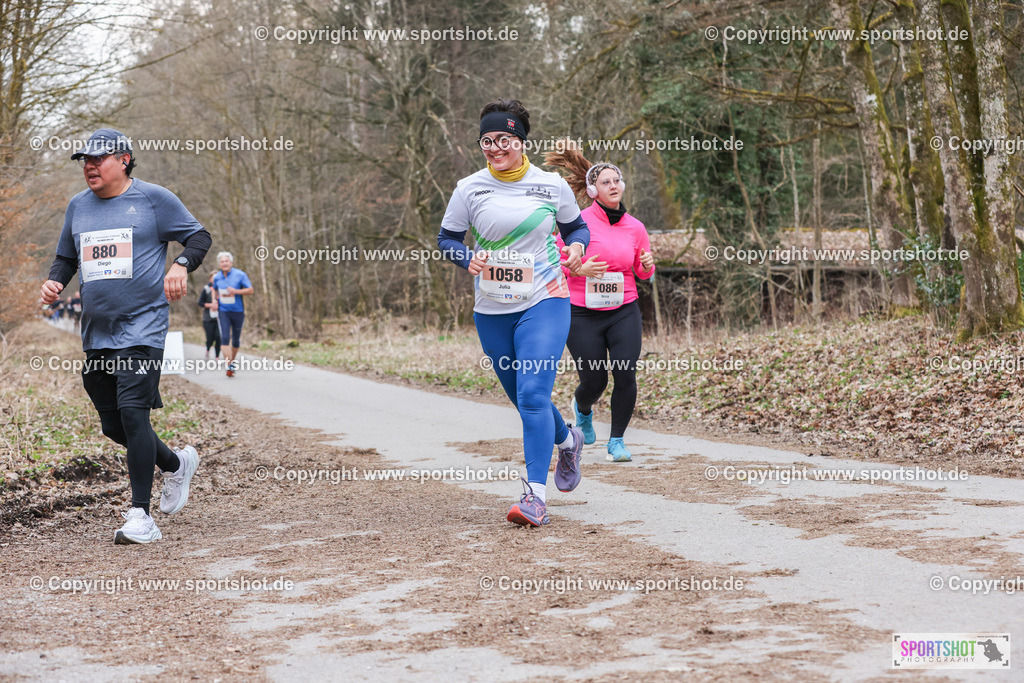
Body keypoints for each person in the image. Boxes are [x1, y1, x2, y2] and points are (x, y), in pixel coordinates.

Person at [40, 128, 210, 544]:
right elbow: (66, 256)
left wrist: (180, 265)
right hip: (97, 332)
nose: (90, 167)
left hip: (144, 324)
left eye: (98, 159)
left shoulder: (153, 199)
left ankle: (141, 516)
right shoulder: (78, 206)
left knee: (134, 413)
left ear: (125, 159)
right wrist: (54, 282)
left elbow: (198, 236)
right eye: (85, 161)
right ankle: (174, 465)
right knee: (113, 424)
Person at [438, 99, 590, 527]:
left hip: (546, 298)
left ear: (521, 142)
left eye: (502, 139)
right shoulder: (470, 188)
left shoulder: (551, 185)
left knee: (533, 396)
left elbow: (576, 227)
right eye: (486, 140)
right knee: (524, 401)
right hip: (491, 308)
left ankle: (534, 498)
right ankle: (567, 439)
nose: (493, 147)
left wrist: (577, 246)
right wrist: (464, 257)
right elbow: (446, 238)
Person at [546, 141, 655, 462]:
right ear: (593, 190)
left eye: (617, 180)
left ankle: (617, 441)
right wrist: (579, 267)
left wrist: (647, 266)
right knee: (594, 378)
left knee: (625, 373)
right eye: (606, 182)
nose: (614, 186)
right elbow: (555, 259)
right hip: (581, 312)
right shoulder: (576, 222)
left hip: (624, 310)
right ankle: (582, 409)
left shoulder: (636, 227)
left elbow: (641, 271)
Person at [212, 251, 252, 377]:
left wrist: (236, 291)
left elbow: (250, 290)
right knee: (224, 338)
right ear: (219, 264)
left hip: (238, 311)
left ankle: (231, 362)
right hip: (223, 311)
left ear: (231, 263)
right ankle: (229, 365)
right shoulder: (217, 277)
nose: (224, 263)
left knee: (235, 340)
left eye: (226, 261)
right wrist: (214, 300)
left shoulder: (240, 275)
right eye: (222, 261)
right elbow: (214, 288)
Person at [198, 272, 222, 360]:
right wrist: (210, 305)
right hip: (208, 318)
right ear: (210, 279)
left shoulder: (222, 288)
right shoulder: (206, 288)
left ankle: (217, 356)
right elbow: (200, 303)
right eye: (213, 277)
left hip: (219, 317)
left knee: (219, 337)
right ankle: (208, 349)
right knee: (210, 338)